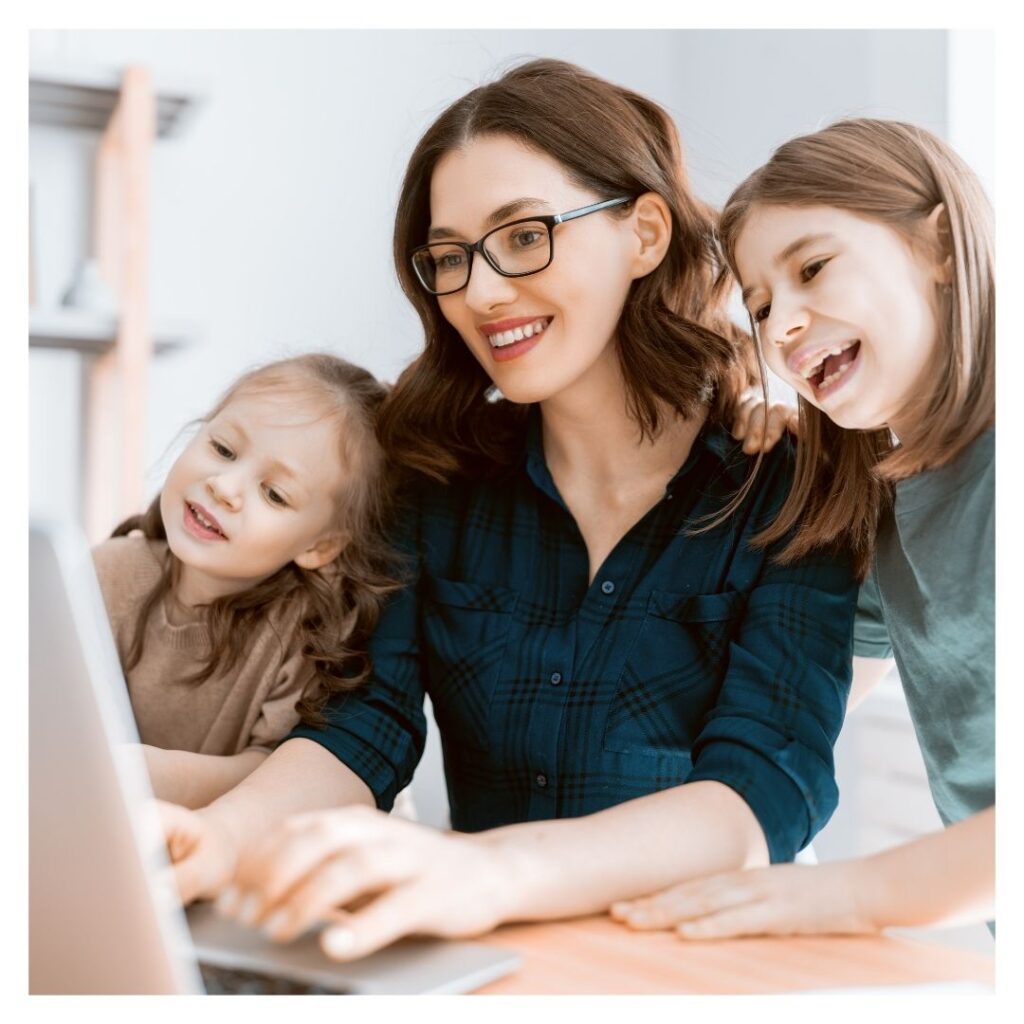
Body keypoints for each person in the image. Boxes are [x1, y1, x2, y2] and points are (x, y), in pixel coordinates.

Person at [157, 59, 861, 962]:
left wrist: (490, 874)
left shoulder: (788, 482)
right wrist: (223, 836)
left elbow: (765, 789)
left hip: (705, 970)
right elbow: (364, 731)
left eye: (524, 235)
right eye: (449, 257)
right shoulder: (436, 482)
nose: (480, 292)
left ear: (644, 233)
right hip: (491, 964)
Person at [612, 118, 994, 939]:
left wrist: (840, 897)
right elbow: (801, 704)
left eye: (813, 267)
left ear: (940, 246)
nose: (782, 326)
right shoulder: (885, 511)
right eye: (760, 306)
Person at [94, 353, 405, 810]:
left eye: (274, 493)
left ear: (320, 547)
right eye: (222, 449)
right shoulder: (107, 573)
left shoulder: (308, 634)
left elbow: (279, 774)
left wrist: (152, 776)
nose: (224, 486)